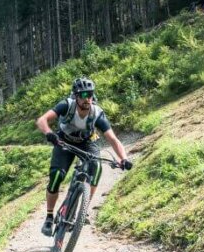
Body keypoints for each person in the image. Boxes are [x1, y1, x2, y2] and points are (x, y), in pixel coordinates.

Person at [35, 77, 132, 236]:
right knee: (57, 175)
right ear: (76, 96)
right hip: (63, 141)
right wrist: (49, 133)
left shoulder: (97, 113)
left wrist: (123, 158)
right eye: (84, 94)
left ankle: (83, 208)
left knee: (97, 167)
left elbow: (113, 139)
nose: (87, 98)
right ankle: (49, 217)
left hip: (87, 142)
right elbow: (42, 120)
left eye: (90, 94)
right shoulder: (66, 105)